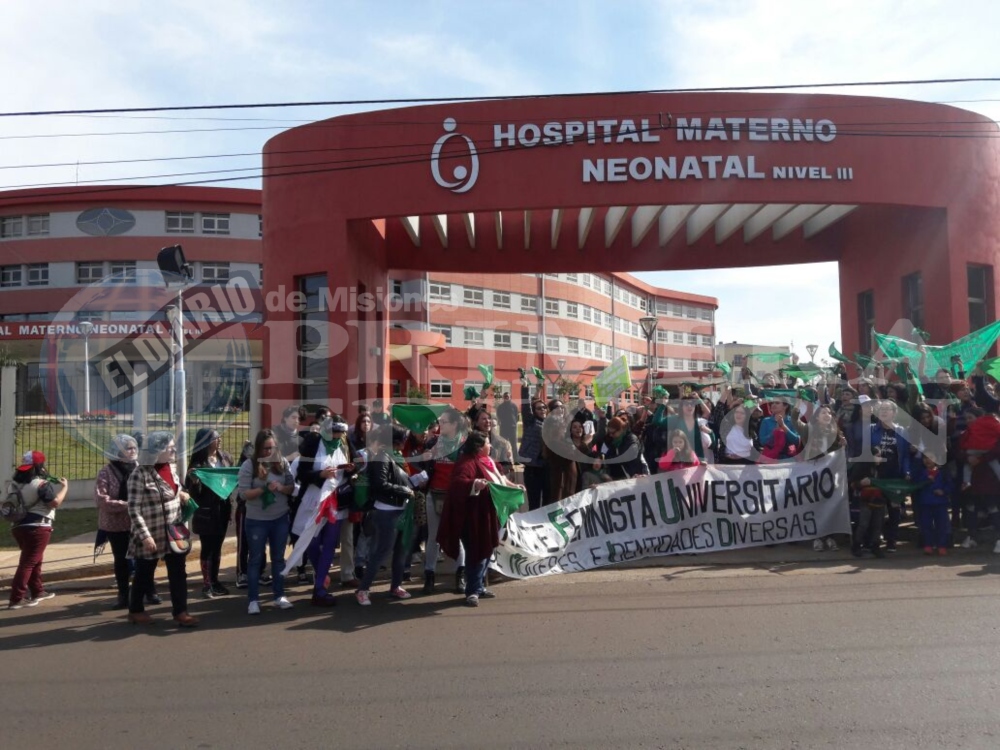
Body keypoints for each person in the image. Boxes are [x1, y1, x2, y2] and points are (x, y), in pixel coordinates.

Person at [126, 431, 198, 627]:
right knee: (144, 572)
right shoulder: (139, 474)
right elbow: (133, 508)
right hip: (151, 534)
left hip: (173, 532)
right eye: (169, 446)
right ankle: (135, 610)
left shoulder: (171, 468)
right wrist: (145, 536)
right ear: (158, 450)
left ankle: (181, 612)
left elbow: (172, 489)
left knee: (178, 572)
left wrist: (181, 494)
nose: (174, 449)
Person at [294, 417, 356, 605]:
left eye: (341, 433)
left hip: (336, 501)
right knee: (311, 542)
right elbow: (301, 474)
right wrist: (319, 475)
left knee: (329, 543)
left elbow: (355, 464)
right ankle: (322, 574)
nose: (339, 436)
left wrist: (350, 470)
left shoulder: (344, 444)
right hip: (313, 500)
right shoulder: (313, 443)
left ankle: (319, 589)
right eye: (335, 432)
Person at [438, 431, 503, 607]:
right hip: (472, 519)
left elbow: (500, 479)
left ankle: (479, 586)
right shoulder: (466, 463)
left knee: (486, 551)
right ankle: (472, 591)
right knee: (476, 554)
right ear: (478, 447)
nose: (490, 446)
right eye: (487, 444)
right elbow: (458, 483)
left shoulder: (485, 462)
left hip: (485, 515)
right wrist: (474, 484)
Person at [355, 425, 415, 605]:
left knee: (400, 551)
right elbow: (380, 484)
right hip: (386, 512)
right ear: (395, 441)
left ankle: (395, 586)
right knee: (381, 551)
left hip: (400, 509)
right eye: (403, 439)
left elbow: (397, 479)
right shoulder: (382, 457)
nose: (405, 442)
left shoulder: (394, 456)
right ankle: (362, 589)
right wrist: (405, 490)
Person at [238, 429, 295, 615]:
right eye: (265, 448)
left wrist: (281, 488)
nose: (269, 452)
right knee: (255, 560)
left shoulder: (282, 462)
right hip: (256, 520)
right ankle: (253, 600)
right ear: (258, 448)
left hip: (280, 518)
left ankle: (279, 596)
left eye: (273, 448)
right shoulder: (249, 465)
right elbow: (244, 494)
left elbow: (291, 487)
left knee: (278, 559)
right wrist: (264, 489)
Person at [6, 451, 68, 610]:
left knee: (34, 560)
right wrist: (64, 488)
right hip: (38, 527)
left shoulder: (13, 485)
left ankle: (37, 591)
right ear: (40, 466)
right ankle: (16, 598)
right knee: (28, 563)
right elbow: (54, 503)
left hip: (18, 527)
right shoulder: (42, 484)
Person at [422, 407, 468, 594]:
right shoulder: (433, 441)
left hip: (455, 496)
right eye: (440, 422)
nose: (440, 425)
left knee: (456, 536)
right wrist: (426, 457)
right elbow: (424, 464)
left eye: (444, 422)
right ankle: (429, 575)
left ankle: (460, 575)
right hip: (434, 494)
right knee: (433, 537)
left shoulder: (465, 444)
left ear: (455, 424)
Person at [186, 428, 234, 599]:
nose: (219, 440)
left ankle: (215, 581)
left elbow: (231, 478)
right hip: (206, 513)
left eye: (219, 436)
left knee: (218, 547)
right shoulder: (197, 465)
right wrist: (195, 482)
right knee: (207, 548)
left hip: (222, 509)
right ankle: (207, 584)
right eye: (215, 438)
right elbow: (193, 492)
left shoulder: (225, 458)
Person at [94, 435, 140, 610]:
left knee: (143, 559)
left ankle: (146, 592)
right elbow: (101, 499)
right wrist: (127, 505)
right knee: (121, 560)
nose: (133, 450)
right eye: (128, 448)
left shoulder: (139, 468)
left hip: (138, 522)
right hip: (115, 525)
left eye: (134, 447)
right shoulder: (106, 472)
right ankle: (123, 595)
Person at [913, 452, 953, 555]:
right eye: (925, 458)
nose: (927, 460)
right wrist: (925, 480)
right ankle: (928, 545)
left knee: (941, 525)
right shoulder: (920, 473)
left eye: (930, 457)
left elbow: (949, 485)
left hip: (940, 503)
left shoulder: (943, 472)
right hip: (925, 503)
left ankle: (942, 546)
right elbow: (916, 485)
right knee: (926, 525)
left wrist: (943, 491)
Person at [518, 392, 550, 510]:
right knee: (534, 503)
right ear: (534, 411)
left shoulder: (550, 424)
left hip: (546, 467)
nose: (542, 410)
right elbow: (525, 407)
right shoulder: (530, 422)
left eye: (544, 407)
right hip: (533, 469)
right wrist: (525, 387)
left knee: (547, 501)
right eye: (539, 408)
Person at [496, 392, 520, 459]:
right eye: (505, 396)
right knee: (503, 444)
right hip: (503, 427)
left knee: (514, 444)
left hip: (512, 428)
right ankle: (503, 459)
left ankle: (516, 460)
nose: (506, 397)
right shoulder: (500, 407)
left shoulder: (514, 406)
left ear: (510, 397)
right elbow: (499, 416)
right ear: (503, 397)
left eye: (508, 396)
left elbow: (517, 416)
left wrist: (514, 423)